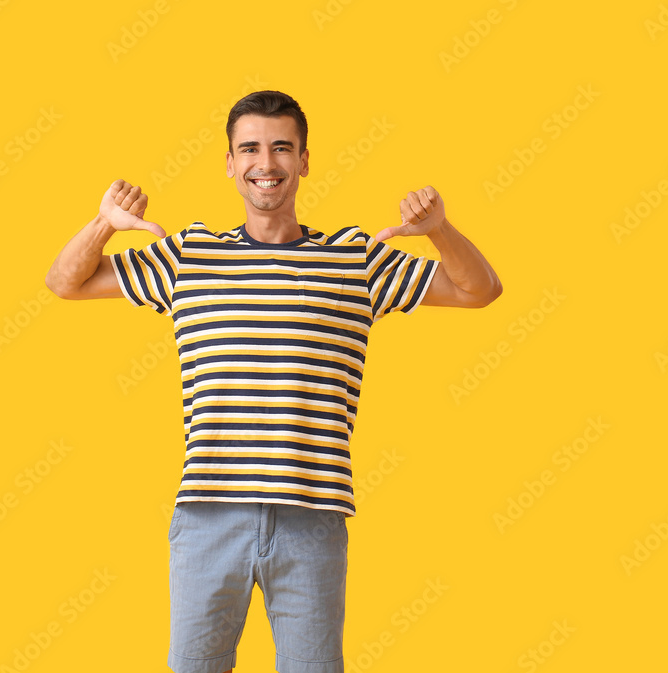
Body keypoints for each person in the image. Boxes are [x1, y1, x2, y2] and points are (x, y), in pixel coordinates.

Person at [45, 90, 501, 673]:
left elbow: (481, 290)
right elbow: (65, 281)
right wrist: (104, 225)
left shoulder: (356, 260)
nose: (267, 162)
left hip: (312, 515)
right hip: (209, 514)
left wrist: (440, 230)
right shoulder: (188, 257)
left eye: (282, 147)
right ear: (231, 163)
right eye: (251, 148)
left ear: (305, 160)